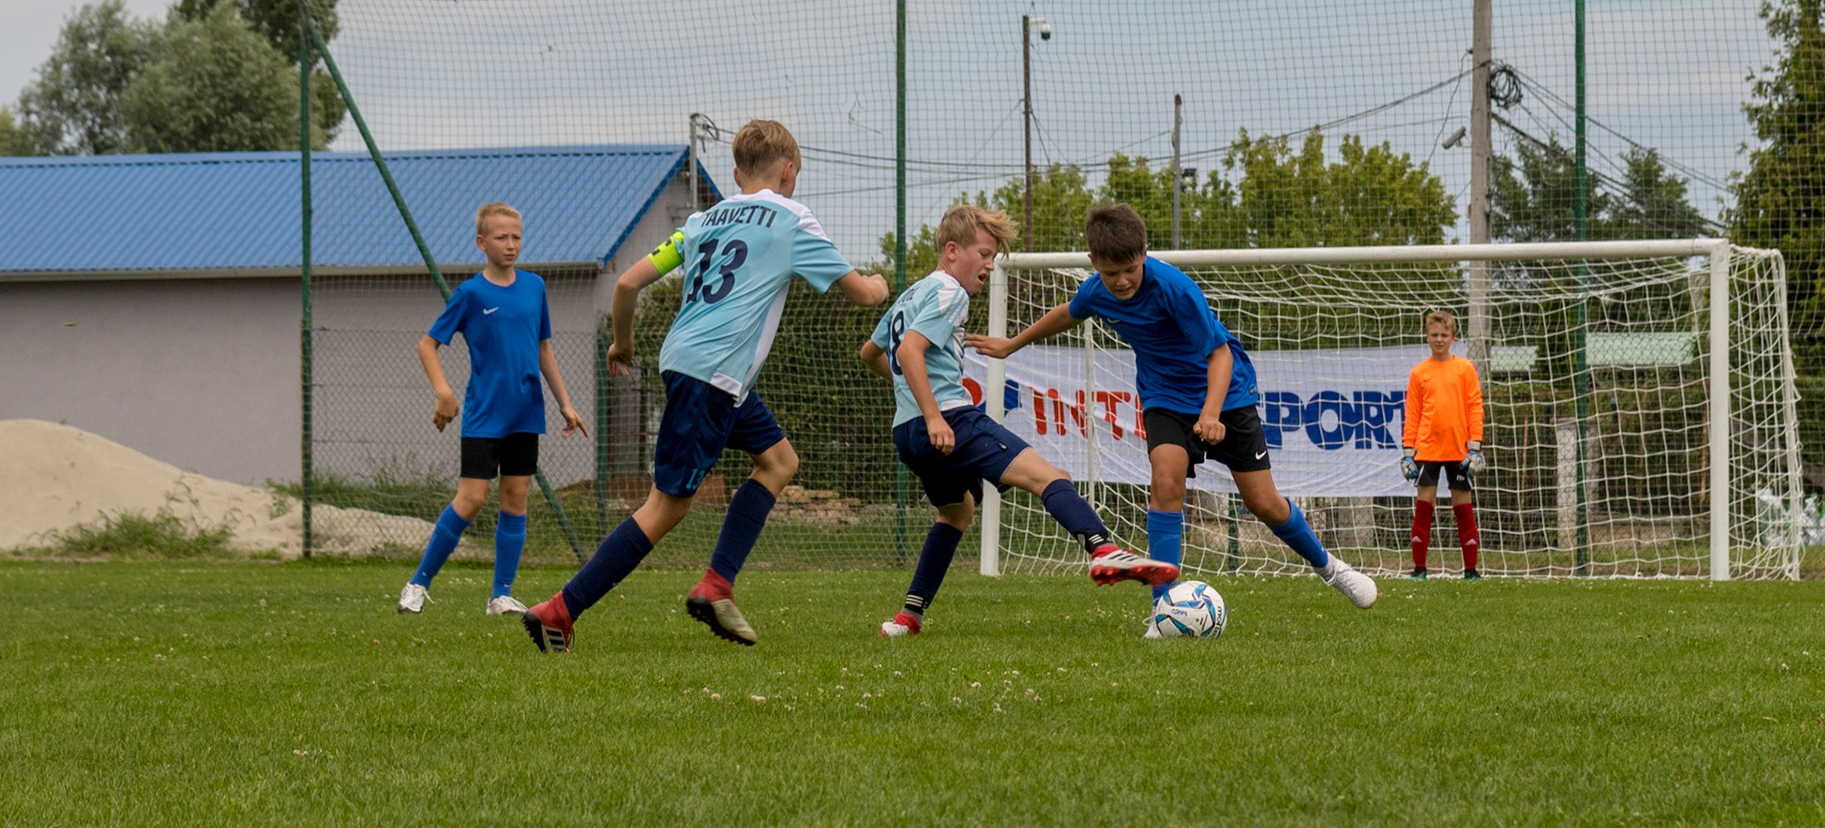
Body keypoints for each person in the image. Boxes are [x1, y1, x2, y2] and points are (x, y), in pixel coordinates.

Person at [522, 120, 889, 652]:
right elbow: (860, 294)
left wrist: (622, 344)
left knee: (780, 461)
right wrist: (878, 285)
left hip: (701, 369)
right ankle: (559, 609)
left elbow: (626, 283)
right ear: (789, 171)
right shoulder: (791, 217)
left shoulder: (702, 220)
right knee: (666, 506)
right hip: (714, 374)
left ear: (737, 173)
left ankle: (718, 584)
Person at [968, 203, 1378, 634]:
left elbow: (1218, 354)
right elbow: (1069, 312)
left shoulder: (1175, 289)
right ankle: (1163, 608)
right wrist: (1012, 345)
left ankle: (1332, 569)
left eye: (1130, 268)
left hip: (1227, 395)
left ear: (1145, 252)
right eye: (1111, 273)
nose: (1122, 281)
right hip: (1164, 398)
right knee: (1166, 480)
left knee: (1264, 503)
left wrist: (1212, 414)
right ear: (1094, 263)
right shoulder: (1097, 289)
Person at [860, 205, 1178, 638]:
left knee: (956, 513)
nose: (990, 265)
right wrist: (935, 413)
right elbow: (909, 352)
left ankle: (907, 618)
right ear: (952, 251)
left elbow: (872, 354)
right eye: (985, 253)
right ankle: (1103, 548)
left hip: (907, 432)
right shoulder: (949, 293)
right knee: (1050, 476)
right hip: (949, 420)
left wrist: (914, 402)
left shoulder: (910, 294)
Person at [399, 202, 587, 617]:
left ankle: (500, 596)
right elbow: (427, 344)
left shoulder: (535, 287)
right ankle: (417, 584)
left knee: (516, 499)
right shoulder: (469, 294)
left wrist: (566, 404)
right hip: (485, 415)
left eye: (517, 236)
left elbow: (543, 349)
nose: (511, 244)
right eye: (501, 237)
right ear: (482, 242)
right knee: (470, 500)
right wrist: (444, 392)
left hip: (526, 414)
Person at [1402, 310, 1486, 579]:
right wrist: (1408, 452)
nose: (1439, 339)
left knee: (1463, 508)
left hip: (1459, 451)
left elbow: (1475, 406)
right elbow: (1412, 412)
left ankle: (1471, 571)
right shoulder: (1419, 372)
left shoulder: (1464, 369)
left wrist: (1475, 447)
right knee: (1424, 508)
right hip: (1427, 450)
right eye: (1434, 335)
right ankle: (1419, 569)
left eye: (1444, 335)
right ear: (1427, 337)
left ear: (1453, 337)